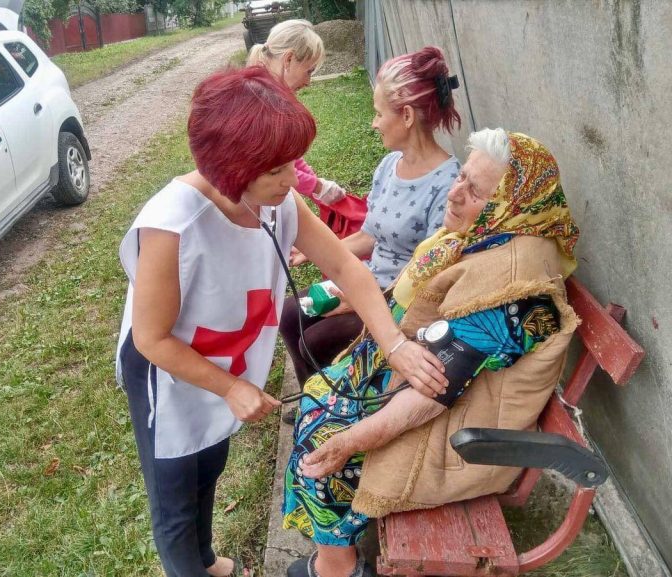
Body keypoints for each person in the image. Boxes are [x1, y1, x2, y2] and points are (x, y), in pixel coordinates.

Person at [115, 66, 449, 577]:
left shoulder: (278, 201)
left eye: (292, 164)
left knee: (211, 459)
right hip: (169, 372)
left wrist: (395, 344)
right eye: (275, 170)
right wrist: (228, 387)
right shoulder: (170, 225)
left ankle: (206, 560)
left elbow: (344, 267)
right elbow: (152, 338)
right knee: (176, 492)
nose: (292, 181)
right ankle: (188, 562)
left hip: (222, 359)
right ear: (230, 165)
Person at [282, 129, 581, 577]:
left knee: (324, 442)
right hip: (419, 381)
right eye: (461, 177)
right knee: (322, 396)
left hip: (460, 432)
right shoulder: (482, 235)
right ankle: (335, 553)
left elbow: (433, 391)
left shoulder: (513, 285)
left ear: (512, 205)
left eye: (476, 191)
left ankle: (338, 565)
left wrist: (352, 439)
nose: (456, 194)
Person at [280, 46, 462, 388]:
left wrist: (360, 301)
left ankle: (340, 400)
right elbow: (372, 234)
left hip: (401, 304)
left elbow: (433, 275)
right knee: (291, 313)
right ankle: (313, 395)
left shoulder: (448, 184)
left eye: (379, 113)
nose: (374, 122)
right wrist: (319, 250)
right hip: (368, 280)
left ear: (407, 115)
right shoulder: (388, 166)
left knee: (316, 341)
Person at [247, 19, 346, 205]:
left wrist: (318, 184)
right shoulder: (260, 103)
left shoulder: (270, 93)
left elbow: (287, 154)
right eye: (309, 71)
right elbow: (272, 167)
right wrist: (316, 186)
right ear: (289, 59)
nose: (308, 81)